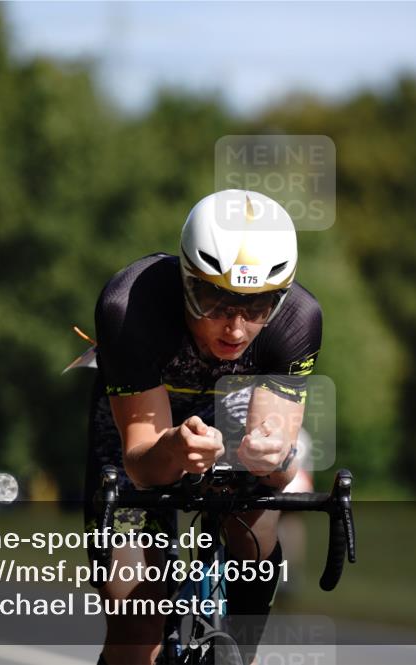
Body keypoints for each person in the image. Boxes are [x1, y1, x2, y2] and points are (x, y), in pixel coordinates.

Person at [82, 189, 322, 665]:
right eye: (215, 301)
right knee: (137, 619)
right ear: (187, 280)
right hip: (145, 431)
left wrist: (274, 458)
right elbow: (141, 461)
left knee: (258, 532)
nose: (235, 328)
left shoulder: (299, 320)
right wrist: (173, 449)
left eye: (257, 308)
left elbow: (277, 469)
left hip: (230, 419)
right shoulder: (130, 304)